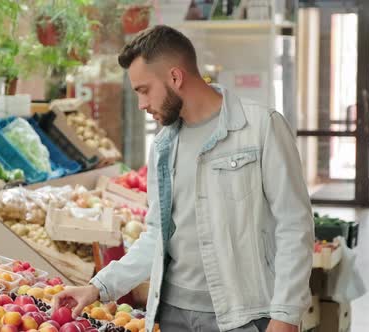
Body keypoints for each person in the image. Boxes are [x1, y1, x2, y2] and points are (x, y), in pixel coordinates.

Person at [54, 25, 314, 332]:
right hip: (173, 315)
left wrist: (285, 314)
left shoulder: (261, 128)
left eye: (144, 90)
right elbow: (156, 236)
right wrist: (98, 287)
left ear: (175, 77)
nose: (141, 104)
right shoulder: (163, 146)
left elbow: (294, 226)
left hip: (242, 316)